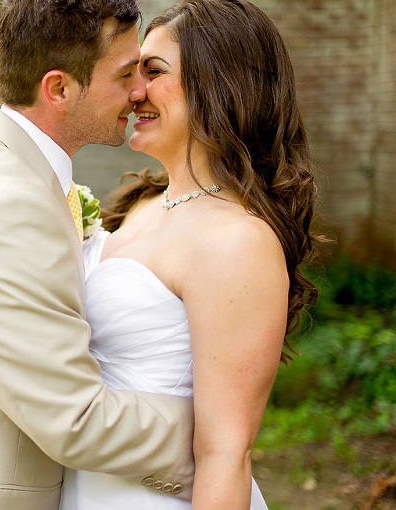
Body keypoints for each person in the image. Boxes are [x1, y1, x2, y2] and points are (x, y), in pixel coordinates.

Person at [0, 1, 196, 509]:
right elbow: (73, 419)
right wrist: (217, 432)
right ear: (58, 88)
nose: (139, 91)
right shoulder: (7, 206)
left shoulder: (8, 176)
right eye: (124, 74)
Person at [57, 0, 322, 508]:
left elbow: (225, 451)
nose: (134, 92)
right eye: (134, 73)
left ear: (219, 84)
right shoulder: (137, 207)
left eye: (153, 72)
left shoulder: (238, 240)